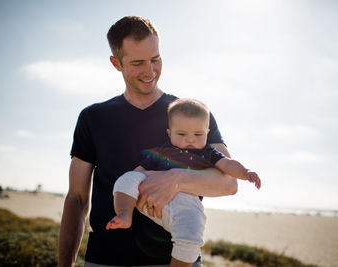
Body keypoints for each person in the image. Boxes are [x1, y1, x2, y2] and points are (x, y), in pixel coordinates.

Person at [58, 16, 237, 267]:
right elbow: (77, 199)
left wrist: (176, 179)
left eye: (155, 59)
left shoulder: (192, 115)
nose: (150, 71)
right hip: (105, 259)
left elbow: (229, 183)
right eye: (138, 63)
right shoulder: (93, 118)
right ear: (116, 63)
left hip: (176, 259)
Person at [106, 98, 261, 266]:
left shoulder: (208, 153)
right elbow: (140, 171)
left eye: (198, 134)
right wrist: (134, 186)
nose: (190, 140)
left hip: (187, 207)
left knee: (192, 234)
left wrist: (245, 172)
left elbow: (228, 165)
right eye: (181, 134)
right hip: (151, 201)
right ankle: (124, 213)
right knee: (127, 177)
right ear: (169, 133)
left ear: (207, 133)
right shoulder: (162, 151)